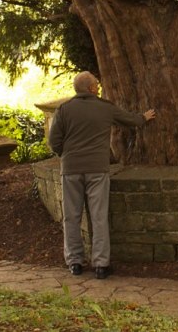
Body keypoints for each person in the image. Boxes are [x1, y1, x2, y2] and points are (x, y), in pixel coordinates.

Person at [48, 71, 156, 278]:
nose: (98, 87)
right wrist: (144, 117)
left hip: (71, 169)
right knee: (98, 216)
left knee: (71, 217)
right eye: (96, 84)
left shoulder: (64, 109)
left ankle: (75, 263)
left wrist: (66, 154)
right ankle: (101, 265)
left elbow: (54, 141)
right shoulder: (105, 108)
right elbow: (129, 119)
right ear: (91, 88)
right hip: (97, 169)